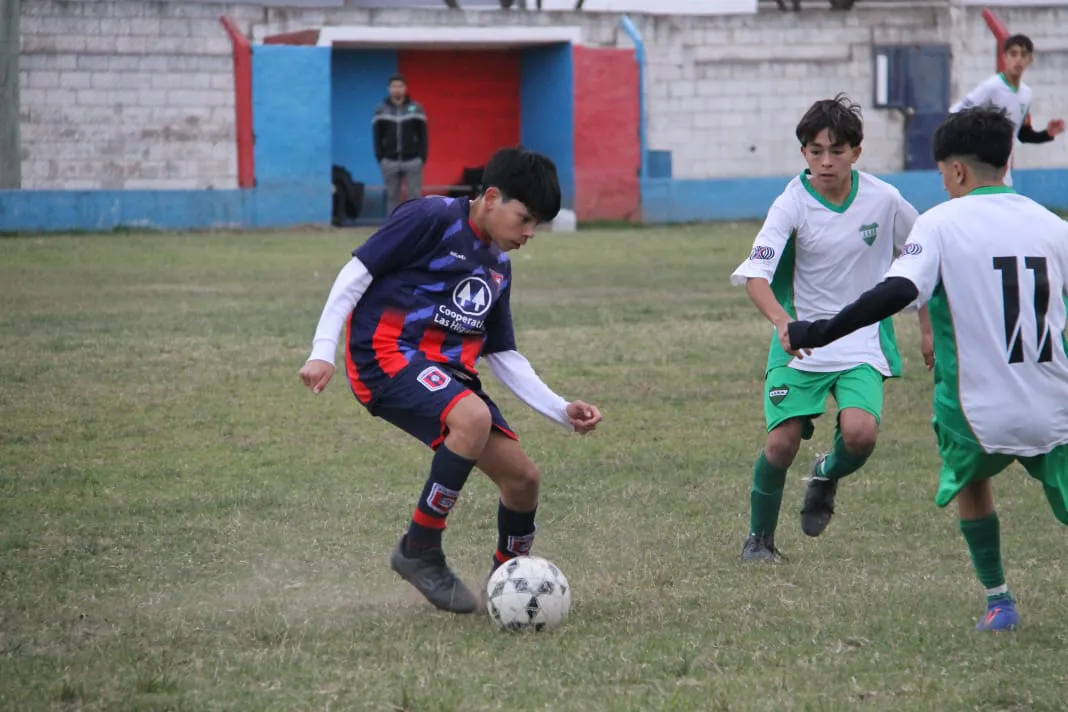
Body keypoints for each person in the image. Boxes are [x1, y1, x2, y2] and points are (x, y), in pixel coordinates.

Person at [784, 105, 1068, 632]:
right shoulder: (1053, 225)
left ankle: (999, 600)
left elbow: (896, 291)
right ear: (1006, 161)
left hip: (976, 407)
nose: (943, 184)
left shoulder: (940, 222)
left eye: (942, 175)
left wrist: (817, 330)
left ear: (956, 171)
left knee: (971, 478)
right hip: (1056, 403)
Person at [298, 146, 603, 615]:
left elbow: (502, 354)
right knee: (473, 416)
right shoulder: (431, 217)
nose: (529, 233)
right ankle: (420, 548)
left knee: (523, 480)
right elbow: (355, 274)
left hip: (449, 374)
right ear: (491, 197)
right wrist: (323, 351)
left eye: (536, 224)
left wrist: (560, 409)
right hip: (386, 356)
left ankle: (505, 588)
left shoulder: (498, 267)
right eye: (524, 219)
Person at [730, 94, 929, 563]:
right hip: (801, 342)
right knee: (780, 443)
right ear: (803, 153)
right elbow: (756, 277)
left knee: (860, 436)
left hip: (861, 339)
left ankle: (826, 473)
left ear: (856, 152)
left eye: (836, 150)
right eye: (814, 150)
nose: (825, 161)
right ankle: (759, 540)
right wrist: (783, 321)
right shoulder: (791, 202)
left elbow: (924, 258)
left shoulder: (885, 200)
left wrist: (927, 328)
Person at [949, 34, 1065, 187]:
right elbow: (955, 114)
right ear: (1005, 57)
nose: (1018, 59)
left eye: (1023, 55)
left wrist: (1047, 134)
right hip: (981, 170)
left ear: (1030, 59)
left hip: (1004, 173)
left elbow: (1022, 134)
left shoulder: (1026, 94)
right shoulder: (991, 87)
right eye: (1013, 54)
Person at [373, 74, 429, 215]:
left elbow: (423, 135)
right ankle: (394, 229)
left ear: (405, 88)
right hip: (389, 161)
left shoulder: (416, 108)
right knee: (392, 198)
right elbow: (377, 137)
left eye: (400, 86)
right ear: (388, 89)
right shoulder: (380, 110)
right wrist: (381, 158)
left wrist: (422, 157)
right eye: (394, 86)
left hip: (413, 161)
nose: (397, 89)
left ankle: (416, 227)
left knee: (415, 198)